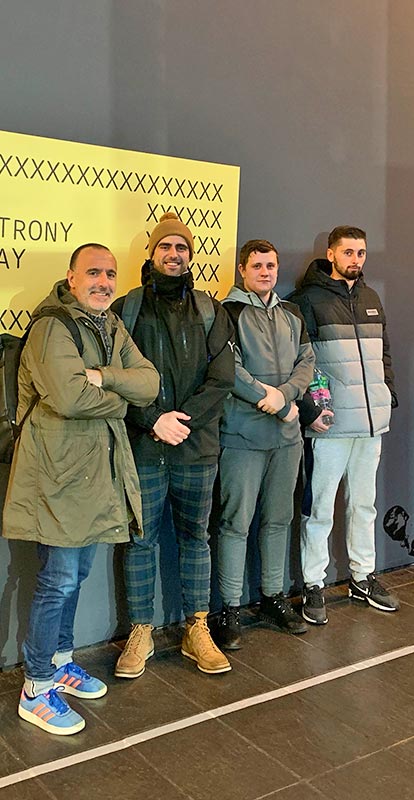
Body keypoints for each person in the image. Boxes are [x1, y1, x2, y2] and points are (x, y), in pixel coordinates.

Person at [3, 243, 158, 734]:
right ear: (71, 277)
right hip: (57, 477)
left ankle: (61, 662)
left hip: (93, 476)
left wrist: (103, 377)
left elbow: (150, 383)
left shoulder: (109, 324)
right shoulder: (52, 327)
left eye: (110, 274)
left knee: (75, 575)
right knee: (58, 581)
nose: (103, 282)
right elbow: (70, 397)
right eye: (93, 272)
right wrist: (121, 399)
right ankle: (36, 687)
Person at [112, 213, 235, 677]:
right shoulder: (126, 308)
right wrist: (152, 421)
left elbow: (221, 379)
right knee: (140, 541)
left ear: (190, 256)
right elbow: (114, 379)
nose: (173, 253)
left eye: (181, 247)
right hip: (143, 447)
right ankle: (140, 632)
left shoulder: (210, 309)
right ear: (151, 253)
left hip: (196, 448)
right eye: (165, 246)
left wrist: (180, 422)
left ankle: (196, 629)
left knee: (196, 538)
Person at [292, 225, 399, 624]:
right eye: (348, 252)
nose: (356, 259)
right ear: (331, 254)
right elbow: (299, 361)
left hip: (371, 424)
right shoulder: (306, 300)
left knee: (364, 505)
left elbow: (384, 354)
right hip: (330, 427)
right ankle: (313, 583)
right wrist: (310, 410)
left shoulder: (371, 298)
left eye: (361, 253)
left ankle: (362, 576)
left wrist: (388, 393)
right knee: (320, 509)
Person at [214, 239, 315, 649]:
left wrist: (285, 397)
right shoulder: (227, 312)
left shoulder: (291, 312)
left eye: (270, 265)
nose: (265, 272)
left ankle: (273, 597)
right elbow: (229, 370)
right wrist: (270, 400)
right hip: (242, 437)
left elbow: (307, 361)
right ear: (242, 269)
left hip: (286, 439)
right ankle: (229, 608)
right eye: (256, 265)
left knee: (278, 519)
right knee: (235, 523)